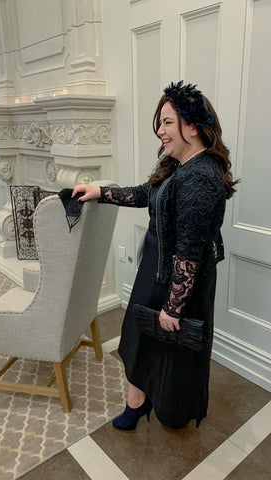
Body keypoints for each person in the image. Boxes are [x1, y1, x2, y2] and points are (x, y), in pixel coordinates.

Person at [72, 81, 238, 430]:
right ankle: (137, 403)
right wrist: (100, 190)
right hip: (157, 269)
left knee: (174, 348)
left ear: (192, 126)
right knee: (139, 336)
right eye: (159, 123)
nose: (160, 131)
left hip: (180, 280)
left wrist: (174, 306)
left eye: (167, 122)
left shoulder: (201, 178)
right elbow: (145, 194)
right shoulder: (179, 166)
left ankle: (170, 409)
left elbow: (189, 254)